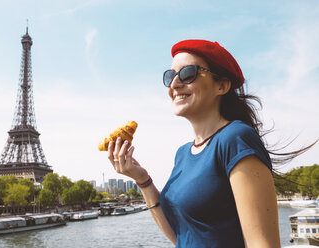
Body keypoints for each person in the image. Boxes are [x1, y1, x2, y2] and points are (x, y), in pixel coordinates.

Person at [107, 39, 289, 247]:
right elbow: (182, 235)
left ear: (221, 86)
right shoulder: (182, 153)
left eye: (187, 73)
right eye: (170, 75)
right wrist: (142, 180)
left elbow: (262, 244)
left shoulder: (235, 138)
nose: (174, 84)